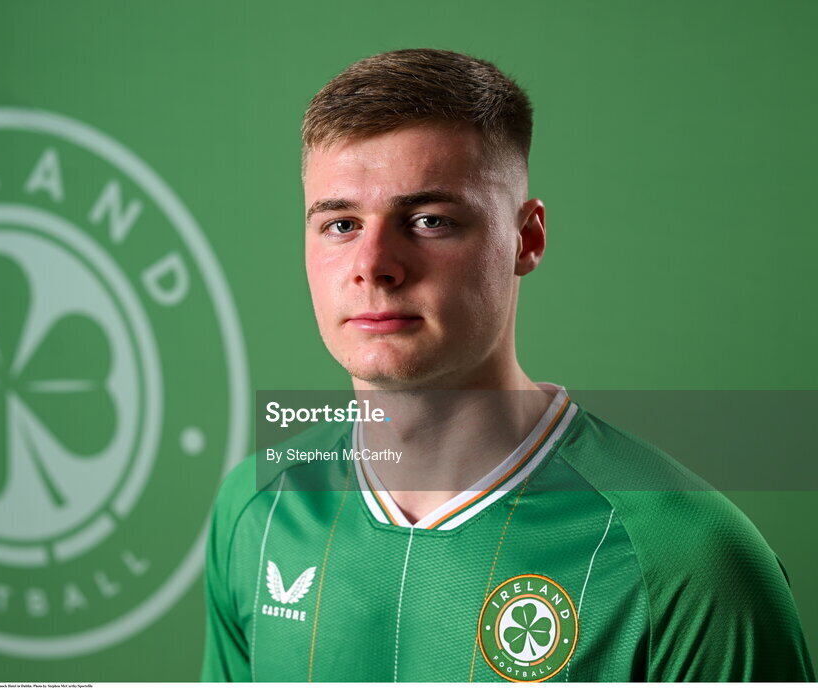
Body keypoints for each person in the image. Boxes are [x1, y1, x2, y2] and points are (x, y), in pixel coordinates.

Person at [199, 48, 815, 682]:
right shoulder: (257, 508)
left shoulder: (690, 563)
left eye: (429, 221)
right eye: (341, 224)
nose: (374, 265)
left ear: (527, 238)